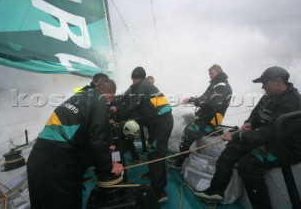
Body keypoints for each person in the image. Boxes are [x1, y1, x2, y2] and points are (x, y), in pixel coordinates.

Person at [193, 66, 301, 209]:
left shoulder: (293, 102)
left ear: (278, 81)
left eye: (265, 83)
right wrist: (249, 123)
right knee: (233, 148)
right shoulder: (269, 95)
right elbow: (255, 114)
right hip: (268, 140)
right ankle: (216, 190)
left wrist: (238, 137)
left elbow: (272, 132)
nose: (262, 87)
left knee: (248, 165)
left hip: (287, 147)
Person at [27, 78, 123, 209]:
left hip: (37, 158)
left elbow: (81, 135)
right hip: (58, 165)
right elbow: (98, 141)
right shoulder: (99, 101)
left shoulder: (79, 96)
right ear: (110, 96)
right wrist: (108, 166)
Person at [122, 66, 174, 203]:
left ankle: (159, 191)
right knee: (152, 149)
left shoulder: (144, 86)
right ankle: (153, 174)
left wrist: (118, 113)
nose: (133, 81)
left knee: (157, 154)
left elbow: (132, 106)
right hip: (155, 123)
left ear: (138, 78)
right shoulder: (141, 85)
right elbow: (130, 93)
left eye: (134, 79)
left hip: (162, 124)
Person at [171, 64, 232, 167]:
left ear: (219, 72)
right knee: (188, 130)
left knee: (190, 132)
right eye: (209, 74)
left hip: (212, 120)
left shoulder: (222, 85)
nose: (210, 75)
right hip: (205, 117)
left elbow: (211, 101)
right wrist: (191, 100)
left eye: (212, 73)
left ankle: (179, 162)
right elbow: (205, 97)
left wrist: (193, 101)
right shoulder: (215, 84)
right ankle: (181, 155)